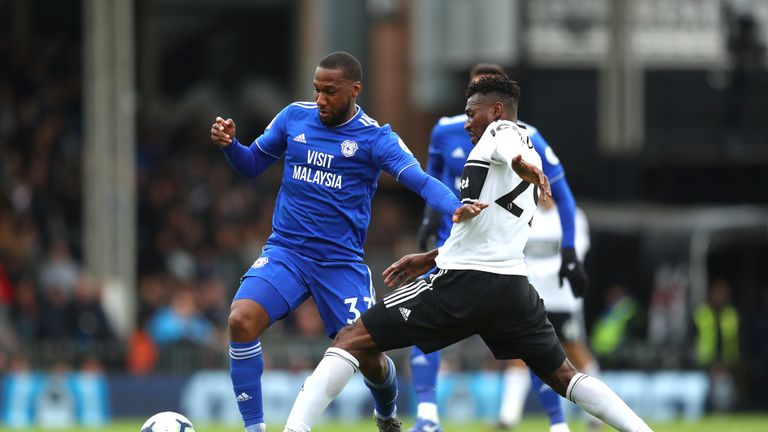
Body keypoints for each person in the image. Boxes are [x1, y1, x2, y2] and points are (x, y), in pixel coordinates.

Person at [281, 75, 653, 432]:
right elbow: (485, 229)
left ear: (495, 110)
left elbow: (514, 154)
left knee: (351, 337)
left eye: (471, 113)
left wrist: (525, 167)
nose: (466, 123)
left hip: (462, 283)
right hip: (511, 289)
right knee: (565, 375)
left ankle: (295, 428)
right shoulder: (519, 140)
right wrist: (429, 258)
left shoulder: (502, 132)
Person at [209, 51, 483, 432]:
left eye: (330, 91)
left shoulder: (375, 138)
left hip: (340, 265)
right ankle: (254, 428)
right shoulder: (293, 118)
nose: (320, 99)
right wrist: (230, 146)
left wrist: (455, 206)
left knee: (369, 356)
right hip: (287, 253)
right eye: (317, 90)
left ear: (355, 90)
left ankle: (386, 415)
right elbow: (251, 164)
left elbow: (419, 180)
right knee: (241, 321)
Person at [411, 63, 588, 432]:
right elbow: (432, 177)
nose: (473, 114)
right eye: (470, 102)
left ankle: (558, 424)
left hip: (499, 258)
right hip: (452, 252)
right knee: (419, 325)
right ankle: (427, 417)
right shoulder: (445, 131)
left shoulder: (526, 135)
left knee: (532, 346)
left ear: (499, 106)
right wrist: (429, 221)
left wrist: (569, 251)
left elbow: (562, 194)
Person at [496, 197, 602, 431]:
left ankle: (596, 415)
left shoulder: (572, 215)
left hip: (563, 298)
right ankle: (507, 417)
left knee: (575, 352)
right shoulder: (523, 213)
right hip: (531, 297)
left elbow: (576, 253)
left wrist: (536, 272)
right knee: (519, 353)